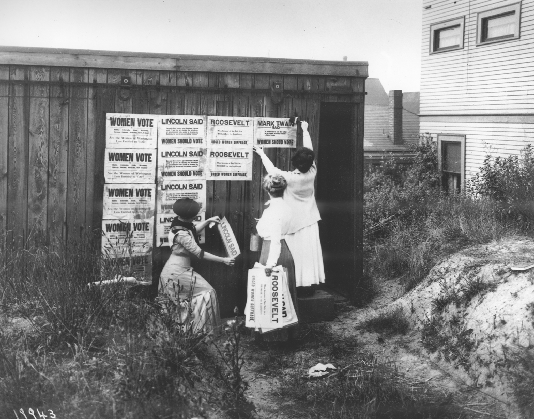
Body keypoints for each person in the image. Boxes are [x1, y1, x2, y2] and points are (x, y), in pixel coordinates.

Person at [253, 119, 325, 296]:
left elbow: (272, 170)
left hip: (294, 224)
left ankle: (296, 287)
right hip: (310, 221)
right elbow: (310, 151)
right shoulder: (312, 172)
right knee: (309, 256)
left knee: (297, 257)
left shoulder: (290, 178)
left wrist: (261, 153)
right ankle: (309, 287)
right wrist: (305, 130)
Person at [158, 198, 235, 334]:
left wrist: (208, 221)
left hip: (178, 268)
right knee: (207, 292)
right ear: (190, 216)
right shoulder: (182, 234)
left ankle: (194, 330)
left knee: (196, 296)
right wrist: (224, 260)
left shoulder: (179, 223)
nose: (196, 216)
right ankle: (202, 331)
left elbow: (193, 231)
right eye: (194, 214)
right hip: (177, 272)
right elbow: (200, 253)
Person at [255, 173, 298, 338]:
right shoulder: (287, 208)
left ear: (267, 190)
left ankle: (273, 337)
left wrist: (270, 264)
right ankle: (286, 335)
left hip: (272, 251)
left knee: (271, 293)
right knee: (282, 293)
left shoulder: (272, 211)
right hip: (284, 249)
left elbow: (274, 240)